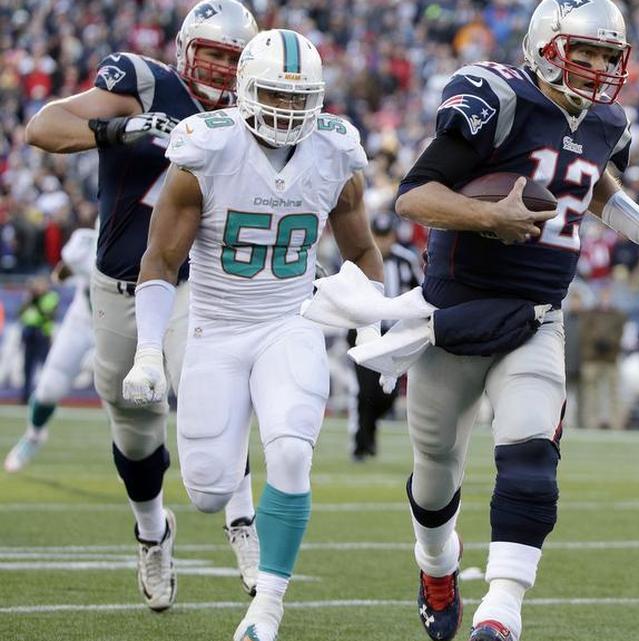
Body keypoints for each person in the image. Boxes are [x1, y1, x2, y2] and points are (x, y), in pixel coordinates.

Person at [392, 1, 639, 639]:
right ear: (544, 47)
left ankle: (500, 614)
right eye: (583, 52)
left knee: (532, 460)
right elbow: (413, 195)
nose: (596, 69)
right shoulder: (498, 99)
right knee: (434, 478)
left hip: (537, 317)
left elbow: (591, 180)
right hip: (453, 317)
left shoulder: (607, 121)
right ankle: (438, 563)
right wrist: (490, 218)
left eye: (607, 57)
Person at [120, 28, 383, 641]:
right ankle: (218, 501)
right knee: (209, 490)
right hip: (214, 327)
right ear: (243, 90)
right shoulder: (206, 148)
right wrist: (151, 352)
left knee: (291, 452)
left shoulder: (336, 151)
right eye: (275, 95)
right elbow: (160, 261)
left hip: (288, 322)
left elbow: (362, 250)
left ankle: (266, 609)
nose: (289, 112)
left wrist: (377, 325)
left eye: (300, 99)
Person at [22, 0, 260, 609]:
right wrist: (116, 130)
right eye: (212, 55)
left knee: (207, 394)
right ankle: (152, 530)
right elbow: (44, 127)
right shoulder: (145, 84)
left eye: (234, 61)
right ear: (186, 50)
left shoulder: (256, 113)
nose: (221, 71)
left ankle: (244, 523)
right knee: (133, 428)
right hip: (115, 287)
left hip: (192, 285)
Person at [5, 228, 97, 472]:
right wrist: (67, 268)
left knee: (124, 400)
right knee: (48, 388)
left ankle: (134, 461)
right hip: (83, 320)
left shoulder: (145, 239)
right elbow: (61, 275)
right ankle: (34, 436)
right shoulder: (87, 242)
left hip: (125, 325)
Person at [347, 212, 423, 462]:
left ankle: (369, 433)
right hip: (366, 331)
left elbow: (419, 291)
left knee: (387, 394)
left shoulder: (405, 260)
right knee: (366, 390)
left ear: (394, 235)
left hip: (394, 333)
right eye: (377, 236)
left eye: (386, 236)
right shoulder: (359, 261)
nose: (382, 242)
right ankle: (362, 445)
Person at [577, 286, 627, 430]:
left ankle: (616, 423)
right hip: (592, 359)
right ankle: (590, 423)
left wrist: (609, 344)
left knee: (614, 393)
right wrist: (596, 344)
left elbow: (620, 334)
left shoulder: (618, 315)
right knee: (590, 394)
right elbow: (584, 334)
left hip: (611, 359)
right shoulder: (590, 314)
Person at [19, 277, 59, 404]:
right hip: (29, 333)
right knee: (27, 367)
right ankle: (25, 396)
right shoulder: (29, 297)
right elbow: (20, 313)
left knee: (46, 367)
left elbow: (49, 315)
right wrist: (29, 300)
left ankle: (47, 396)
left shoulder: (51, 297)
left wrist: (36, 301)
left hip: (42, 334)